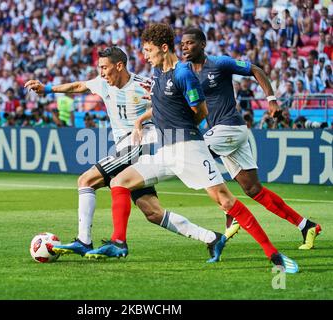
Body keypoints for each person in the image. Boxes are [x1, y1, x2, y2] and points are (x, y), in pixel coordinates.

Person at [86, 23, 298, 273]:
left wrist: (185, 129)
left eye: (148, 50)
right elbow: (166, 104)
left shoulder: (183, 73)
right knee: (119, 181)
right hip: (166, 151)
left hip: (188, 148)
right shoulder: (158, 76)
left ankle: (274, 255)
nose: (144, 55)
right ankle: (119, 242)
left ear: (164, 48)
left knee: (225, 200)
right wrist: (143, 118)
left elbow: (201, 111)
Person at [25, 47, 227, 263]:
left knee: (86, 180)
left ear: (119, 66)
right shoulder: (103, 84)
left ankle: (84, 241)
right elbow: (79, 85)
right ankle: (212, 237)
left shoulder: (144, 86)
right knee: (153, 212)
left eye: (104, 68)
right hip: (128, 148)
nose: (101, 73)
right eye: (99, 68)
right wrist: (47, 89)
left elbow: (170, 103)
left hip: (141, 143)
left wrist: (145, 120)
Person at [180, 28, 321, 249]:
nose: (184, 47)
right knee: (254, 189)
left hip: (230, 127)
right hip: (221, 133)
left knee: (194, 155)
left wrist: (271, 100)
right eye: (182, 44)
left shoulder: (219, 63)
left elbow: (255, 69)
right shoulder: (185, 72)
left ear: (203, 44)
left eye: (189, 43)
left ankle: (231, 211)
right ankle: (306, 225)